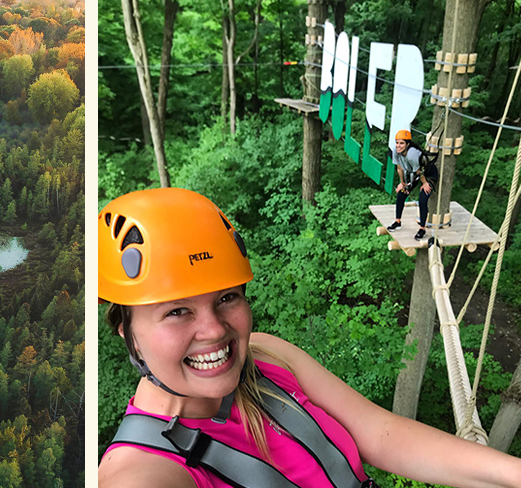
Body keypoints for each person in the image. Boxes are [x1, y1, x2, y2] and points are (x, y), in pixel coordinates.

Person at [98, 187, 521, 488]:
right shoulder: (143, 470)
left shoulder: (266, 358)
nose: (214, 330)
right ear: (126, 331)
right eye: (176, 311)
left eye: (227, 297)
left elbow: (377, 432)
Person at [386, 129, 439, 241]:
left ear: (407, 144)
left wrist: (425, 183)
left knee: (423, 199)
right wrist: (402, 183)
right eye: (397, 142)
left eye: (401, 143)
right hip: (413, 173)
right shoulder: (396, 151)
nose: (398, 146)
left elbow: (420, 171)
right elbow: (399, 168)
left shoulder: (412, 155)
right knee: (401, 194)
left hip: (427, 174)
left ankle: (422, 228)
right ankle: (398, 221)